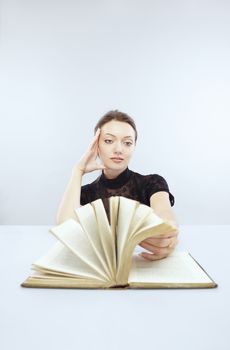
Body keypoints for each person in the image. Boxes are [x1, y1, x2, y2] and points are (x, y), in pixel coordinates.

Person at [56, 110, 179, 261]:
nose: (119, 149)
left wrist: (169, 233)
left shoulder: (152, 183)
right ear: (96, 146)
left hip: (144, 267)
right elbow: (65, 228)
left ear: (133, 147)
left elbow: (165, 214)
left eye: (127, 143)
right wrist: (78, 171)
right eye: (109, 141)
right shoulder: (85, 193)